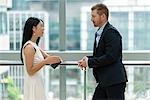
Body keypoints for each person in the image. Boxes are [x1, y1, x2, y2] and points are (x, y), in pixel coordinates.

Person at [78, 3, 128, 100]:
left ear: (103, 16)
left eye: (93, 16)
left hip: (114, 81)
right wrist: (88, 59)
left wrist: (89, 62)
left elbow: (111, 56)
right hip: (105, 81)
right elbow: (101, 55)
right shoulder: (100, 32)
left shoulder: (111, 32)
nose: (91, 19)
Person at [20, 17, 62, 100]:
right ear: (34, 28)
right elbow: (30, 71)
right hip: (33, 84)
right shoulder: (29, 47)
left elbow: (49, 58)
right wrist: (45, 61)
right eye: (41, 26)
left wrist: (55, 59)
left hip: (38, 83)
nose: (43, 28)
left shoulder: (35, 46)